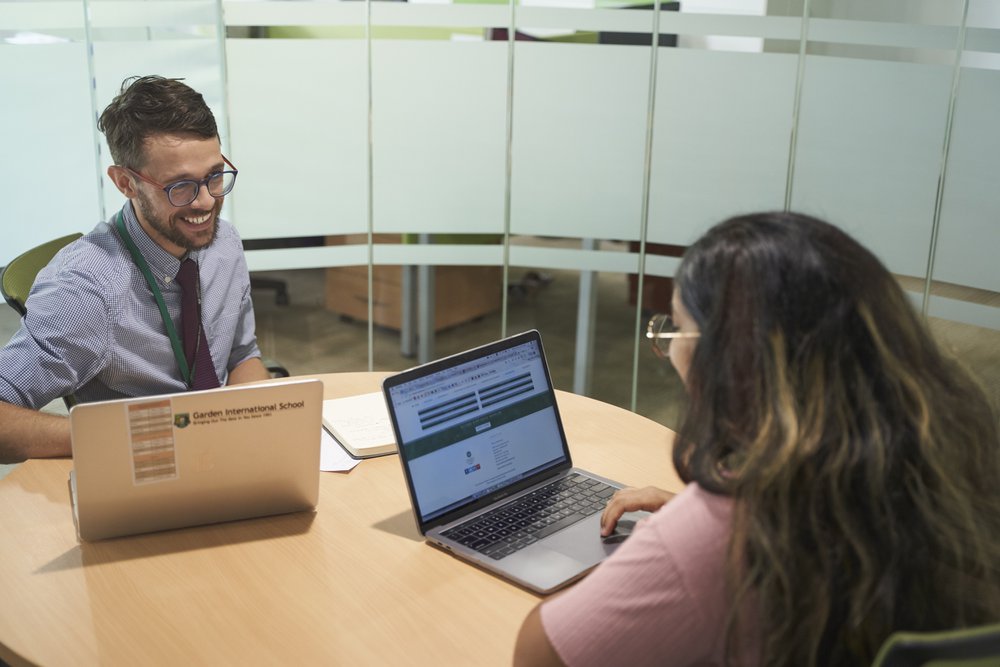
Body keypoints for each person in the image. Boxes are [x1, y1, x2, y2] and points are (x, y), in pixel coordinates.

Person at [513, 211, 1000, 667]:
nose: (669, 353)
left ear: (733, 359)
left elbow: (538, 656)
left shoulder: (724, 532)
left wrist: (662, 560)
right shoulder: (942, 455)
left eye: (678, 332)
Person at [0, 75, 270, 463]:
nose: (207, 202)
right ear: (126, 183)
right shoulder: (86, 289)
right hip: (147, 468)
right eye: (180, 187)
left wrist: (262, 425)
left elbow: (242, 355)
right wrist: (126, 437)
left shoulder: (223, 244)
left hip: (226, 455)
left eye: (214, 176)